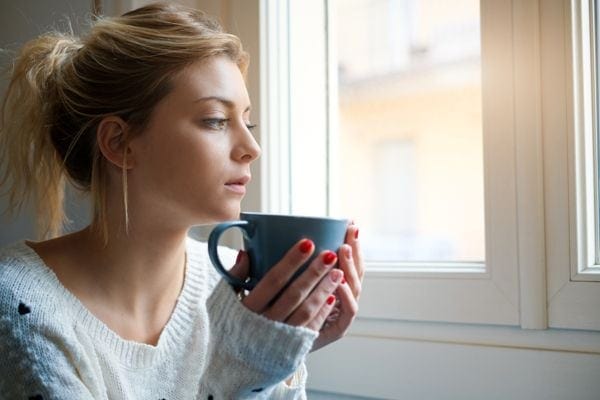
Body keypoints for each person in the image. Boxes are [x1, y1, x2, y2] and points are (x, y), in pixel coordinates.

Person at [0, 2, 363, 399]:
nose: (251, 147)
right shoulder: (20, 303)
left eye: (248, 121)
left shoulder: (233, 287)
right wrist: (243, 370)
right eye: (216, 121)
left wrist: (285, 354)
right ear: (119, 143)